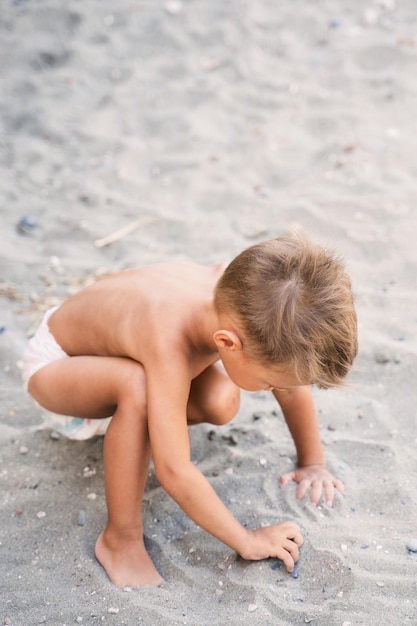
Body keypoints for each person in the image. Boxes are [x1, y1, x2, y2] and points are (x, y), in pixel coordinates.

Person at [22, 231, 357, 587]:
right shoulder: (168, 336)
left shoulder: (246, 293)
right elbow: (174, 469)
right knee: (138, 388)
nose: (281, 391)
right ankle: (119, 538)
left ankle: (132, 423)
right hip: (58, 365)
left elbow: (292, 386)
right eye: (271, 383)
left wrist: (312, 462)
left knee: (220, 399)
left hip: (118, 353)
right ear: (226, 343)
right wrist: (247, 541)